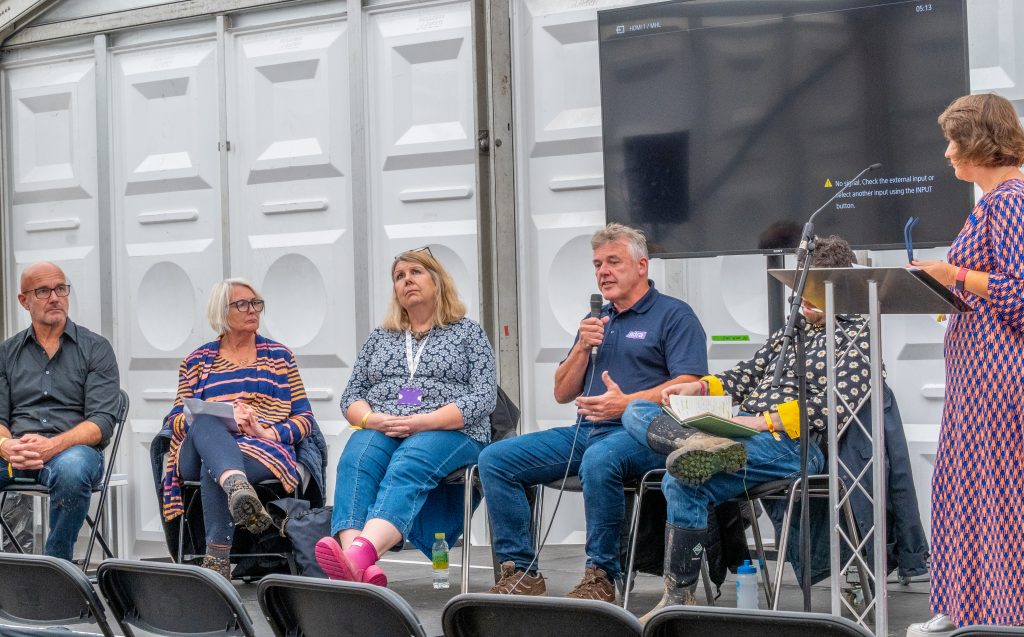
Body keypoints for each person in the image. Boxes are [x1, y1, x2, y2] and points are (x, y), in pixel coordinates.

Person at [621, 235, 870, 619]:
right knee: (638, 413)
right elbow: (744, 376)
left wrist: (760, 420)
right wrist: (701, 386)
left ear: (839, 285)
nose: (802, 300)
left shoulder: (856, 337)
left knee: (677, 476)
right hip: (737, 437)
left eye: (813, 290)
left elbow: (831, 408)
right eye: (799, 288)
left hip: (790, 445)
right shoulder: (791, 332)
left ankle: (677, 594)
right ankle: (699, 442)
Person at [478, 223, 709, 602]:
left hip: (646, 434)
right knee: (496, 458)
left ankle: (602, 576)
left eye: (613, 262)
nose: (603, 271)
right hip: (587, 431)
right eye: (598, 264)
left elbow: (689, 383)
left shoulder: (674, 315)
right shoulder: (597, 321)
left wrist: (628, 403)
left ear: (641, 266)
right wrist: (582, 347)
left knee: (601, 459)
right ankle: (520, 572)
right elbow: (561, 392)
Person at [905, 93, 1024, 635]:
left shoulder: (1012, 199)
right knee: (965, 488)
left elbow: (1018, 292)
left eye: (954, 140)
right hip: (976, 378)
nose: (949, 152)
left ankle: (1005, 615)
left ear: (979, 141)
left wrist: (952, 276)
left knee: (998, 496)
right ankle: (965, 608)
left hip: (1000, 378)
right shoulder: (991, 201)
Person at [314, 248, 496, 586]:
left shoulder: (467, 333)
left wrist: (424, 422)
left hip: (453, 430)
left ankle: (356, 556)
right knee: (356, 458)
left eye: (416, 272)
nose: (407, 280)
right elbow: (351, 396)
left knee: (410, 460)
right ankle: (361, 567)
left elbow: (483, 397)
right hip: (386, 425)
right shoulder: (381, 337)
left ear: (437, 281)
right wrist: (371, 420)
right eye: (399, 276)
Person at [160, 278, 317, 579]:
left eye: (256, 303)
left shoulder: (280, 357)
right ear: (222, 311)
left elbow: (305, 419)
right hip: (199, 445)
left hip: (260, 449)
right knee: (206, 422)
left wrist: (266, 432)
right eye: (242, 304)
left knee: (215, 469)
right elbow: (175, 420)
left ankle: (218, 557)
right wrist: (218, 411)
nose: (252, 310)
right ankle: (236, 487)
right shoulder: (196, 362)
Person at [0, 261, 121, 560]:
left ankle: (57, 568)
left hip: (73, 451)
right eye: (43, 291)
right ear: (23, 300)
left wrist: (52, 445)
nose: (55, 297)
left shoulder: (95, 348)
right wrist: (6, 447)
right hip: (17, 453)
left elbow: (102, 422)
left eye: (61, 288)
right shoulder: (6, 352)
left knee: (73, 470)